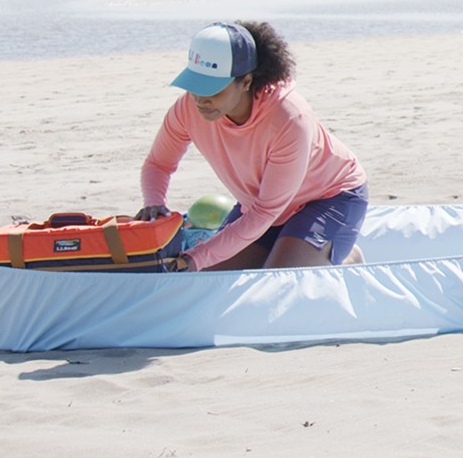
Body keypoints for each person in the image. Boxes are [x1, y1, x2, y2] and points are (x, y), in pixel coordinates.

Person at [136, 21, 368, 272]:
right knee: (208, 281)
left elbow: (264, 213)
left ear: (246, 81)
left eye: (211, 89)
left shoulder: (289, 119)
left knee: (278, 282)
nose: (201, 100)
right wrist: (154, 203)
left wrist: (196, 257)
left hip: (329, 197)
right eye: (194, 86)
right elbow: (158, 164)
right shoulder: (187, 110)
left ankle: (343, 259)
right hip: (262, 205)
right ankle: (306, 252)